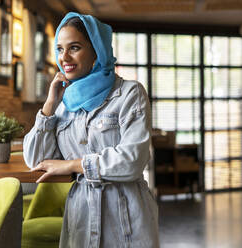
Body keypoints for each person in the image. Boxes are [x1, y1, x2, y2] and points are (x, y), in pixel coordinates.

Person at [23, 12, 159, 248]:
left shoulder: (129, 93)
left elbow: (133, 160)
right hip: (81, 218)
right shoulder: (63, 103)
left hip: (126, 219)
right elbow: (35, 159)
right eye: (59, 49)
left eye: (74, 47)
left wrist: (73, 165)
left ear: (97, 50)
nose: (64, 57)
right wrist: (49, 106)